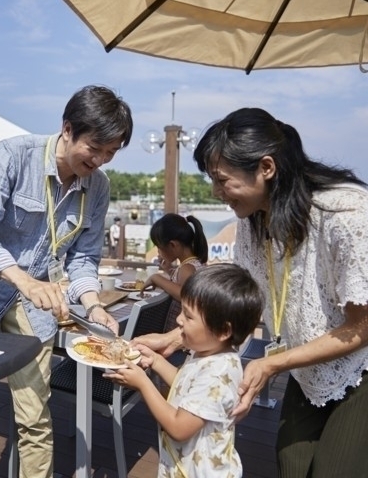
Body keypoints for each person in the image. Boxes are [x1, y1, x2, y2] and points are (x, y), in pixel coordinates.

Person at [140, 107, 368, 477]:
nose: (216, 193)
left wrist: (271, 363)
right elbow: (232, 306)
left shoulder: (346, 213)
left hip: (359, 368)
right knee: (291, 464)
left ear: (266, 167)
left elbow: (363, 325)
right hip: (304, 367)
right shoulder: (253, 220)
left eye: (222, 180)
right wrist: (171, 339)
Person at [0, 84, 133, 478]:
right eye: (95, 148)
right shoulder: (14, 154)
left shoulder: (98, 187)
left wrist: (94, 306)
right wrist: (23, 280)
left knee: (35, 415)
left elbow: (84, 257)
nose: (100, 160)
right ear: (67, 129)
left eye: (111, 153)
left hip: (35, 306)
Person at [105, 264, 263, 478]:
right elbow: (185, 385)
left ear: (223, 331)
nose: (179, 320)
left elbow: (178, 428)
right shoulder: (208, 352)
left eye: (188, 317)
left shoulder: (217, 372)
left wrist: (143, 384)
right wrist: (156, 361)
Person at [144, 213, 208, 332]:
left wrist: (156, 278)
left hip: (180, 334)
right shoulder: (195, 263)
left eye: (159, 247)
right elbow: (184, 283)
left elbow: (184, 295)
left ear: (173, 245)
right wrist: (169, 270)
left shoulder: (187, 268)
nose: (158, 252)